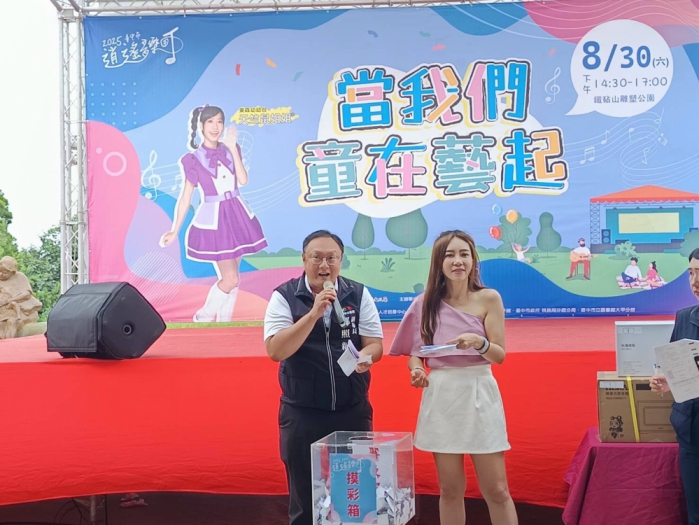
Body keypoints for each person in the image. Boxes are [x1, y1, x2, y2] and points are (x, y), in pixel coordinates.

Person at [389, 230, 518, 525]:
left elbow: (498, 355)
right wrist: (417, 370)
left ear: (473, 260)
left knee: (497, 490)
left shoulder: (489, 298)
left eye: (464, 254)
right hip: (442, 395)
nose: (458, 261)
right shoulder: (424, 303)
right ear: (439, 262)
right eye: (449, 255)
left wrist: (479, 342)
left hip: (479, 391)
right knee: (449, 490)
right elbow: (416, 354)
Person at [263, 230, 384, 525]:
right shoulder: (284, 297)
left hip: (351, 408)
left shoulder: (358, 294)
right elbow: (276, 350)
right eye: (317, 257)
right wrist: (313, 314)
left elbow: (375, 344)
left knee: (354, 497)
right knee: (305, 499)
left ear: (341, 260)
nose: (324, 265)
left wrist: (366, 357)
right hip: (302, 411)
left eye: (332, 258)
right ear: (304, 260)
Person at [160, 105, 267, 322]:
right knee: (230, 278)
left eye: (219, 121)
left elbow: (243, 180)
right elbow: (186, 197)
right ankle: (203, 316)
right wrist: (174, 230)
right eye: (210, 122)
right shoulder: (193, 159)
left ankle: (225, 322)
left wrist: (232, 148)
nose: (215, 127)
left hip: (237, 213)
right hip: (216, 219)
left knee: (234, 278)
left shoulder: (231, 148)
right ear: (201, 126)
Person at [650, 248, 699, 525]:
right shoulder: (684, 317)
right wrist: (667, 381)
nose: (695, 281)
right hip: (692, 432)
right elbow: (678, 366)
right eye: (691, 273)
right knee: (696, 513)